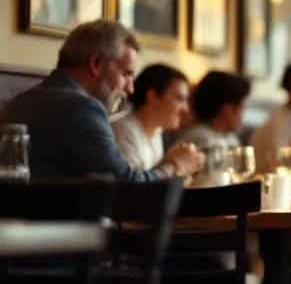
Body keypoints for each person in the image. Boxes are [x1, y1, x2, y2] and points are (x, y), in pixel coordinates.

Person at [1, 19, 201, 180]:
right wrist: (176, 165)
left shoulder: (19, 102)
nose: (130, 88)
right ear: (96, 64)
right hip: (64, 229)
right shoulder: (82, 108)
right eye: (126, 74)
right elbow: (128, 187)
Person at [114, 63, 191, 171]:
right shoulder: (123, 131)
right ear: (152, 96)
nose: (186, 109)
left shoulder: (156, 131)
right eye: (179, 99)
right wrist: (175, 164)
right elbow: (134, 186)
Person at [174, 71, 250, 152]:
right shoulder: (201, 139)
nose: (244, 112)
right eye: (242, 106)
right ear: (227, 109)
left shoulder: (230, 138)